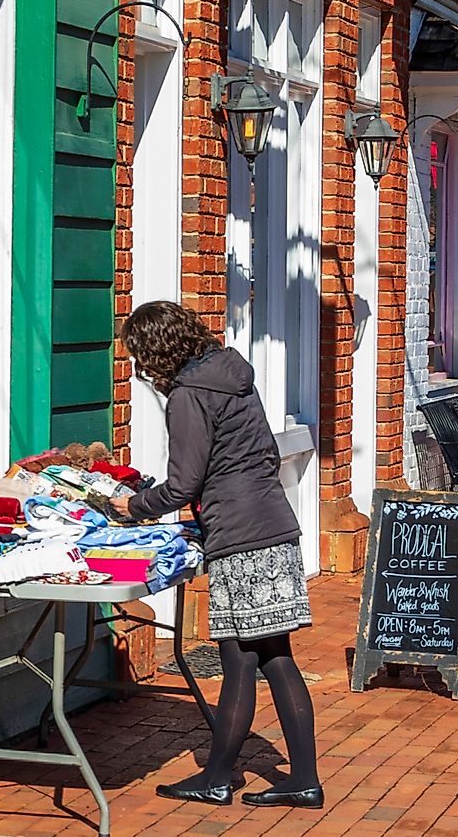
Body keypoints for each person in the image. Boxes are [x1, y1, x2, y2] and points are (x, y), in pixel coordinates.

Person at [112, 301, 319, 809]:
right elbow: (263, 454)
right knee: (272, 656)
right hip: (272, 522)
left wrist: (132, 506)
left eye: (139, 357)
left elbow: (183, 483)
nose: (140, 370)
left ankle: (219, 777)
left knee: (240, 660)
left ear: (156, 350)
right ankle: (299, 778)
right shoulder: (232, 376)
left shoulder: (189, 395)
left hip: (240, 537)